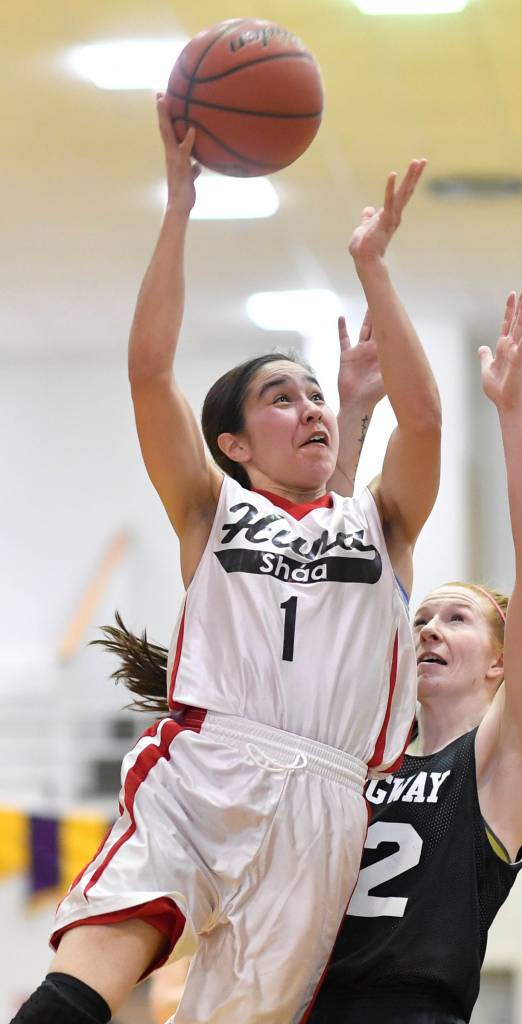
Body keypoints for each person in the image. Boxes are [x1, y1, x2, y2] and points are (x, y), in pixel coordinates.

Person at [12, 97, 441, 1024]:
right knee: (79, 984)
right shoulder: (211, 512)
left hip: (327, 799)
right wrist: (177, 207)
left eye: (316, 395)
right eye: (280, 398)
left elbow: (432, 419)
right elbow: (148, 373)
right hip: (207, 764)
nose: (310, 408)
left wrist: (374, 269)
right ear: (233, 444)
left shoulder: (381, 523)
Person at [307, 287, 522, 1024]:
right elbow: (329, 573)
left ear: (500, 662)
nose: (428, 630)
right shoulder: (368, 752)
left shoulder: (501, 758)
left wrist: (511, 414)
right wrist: (353, 411)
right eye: (421, 619)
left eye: (456, 619)